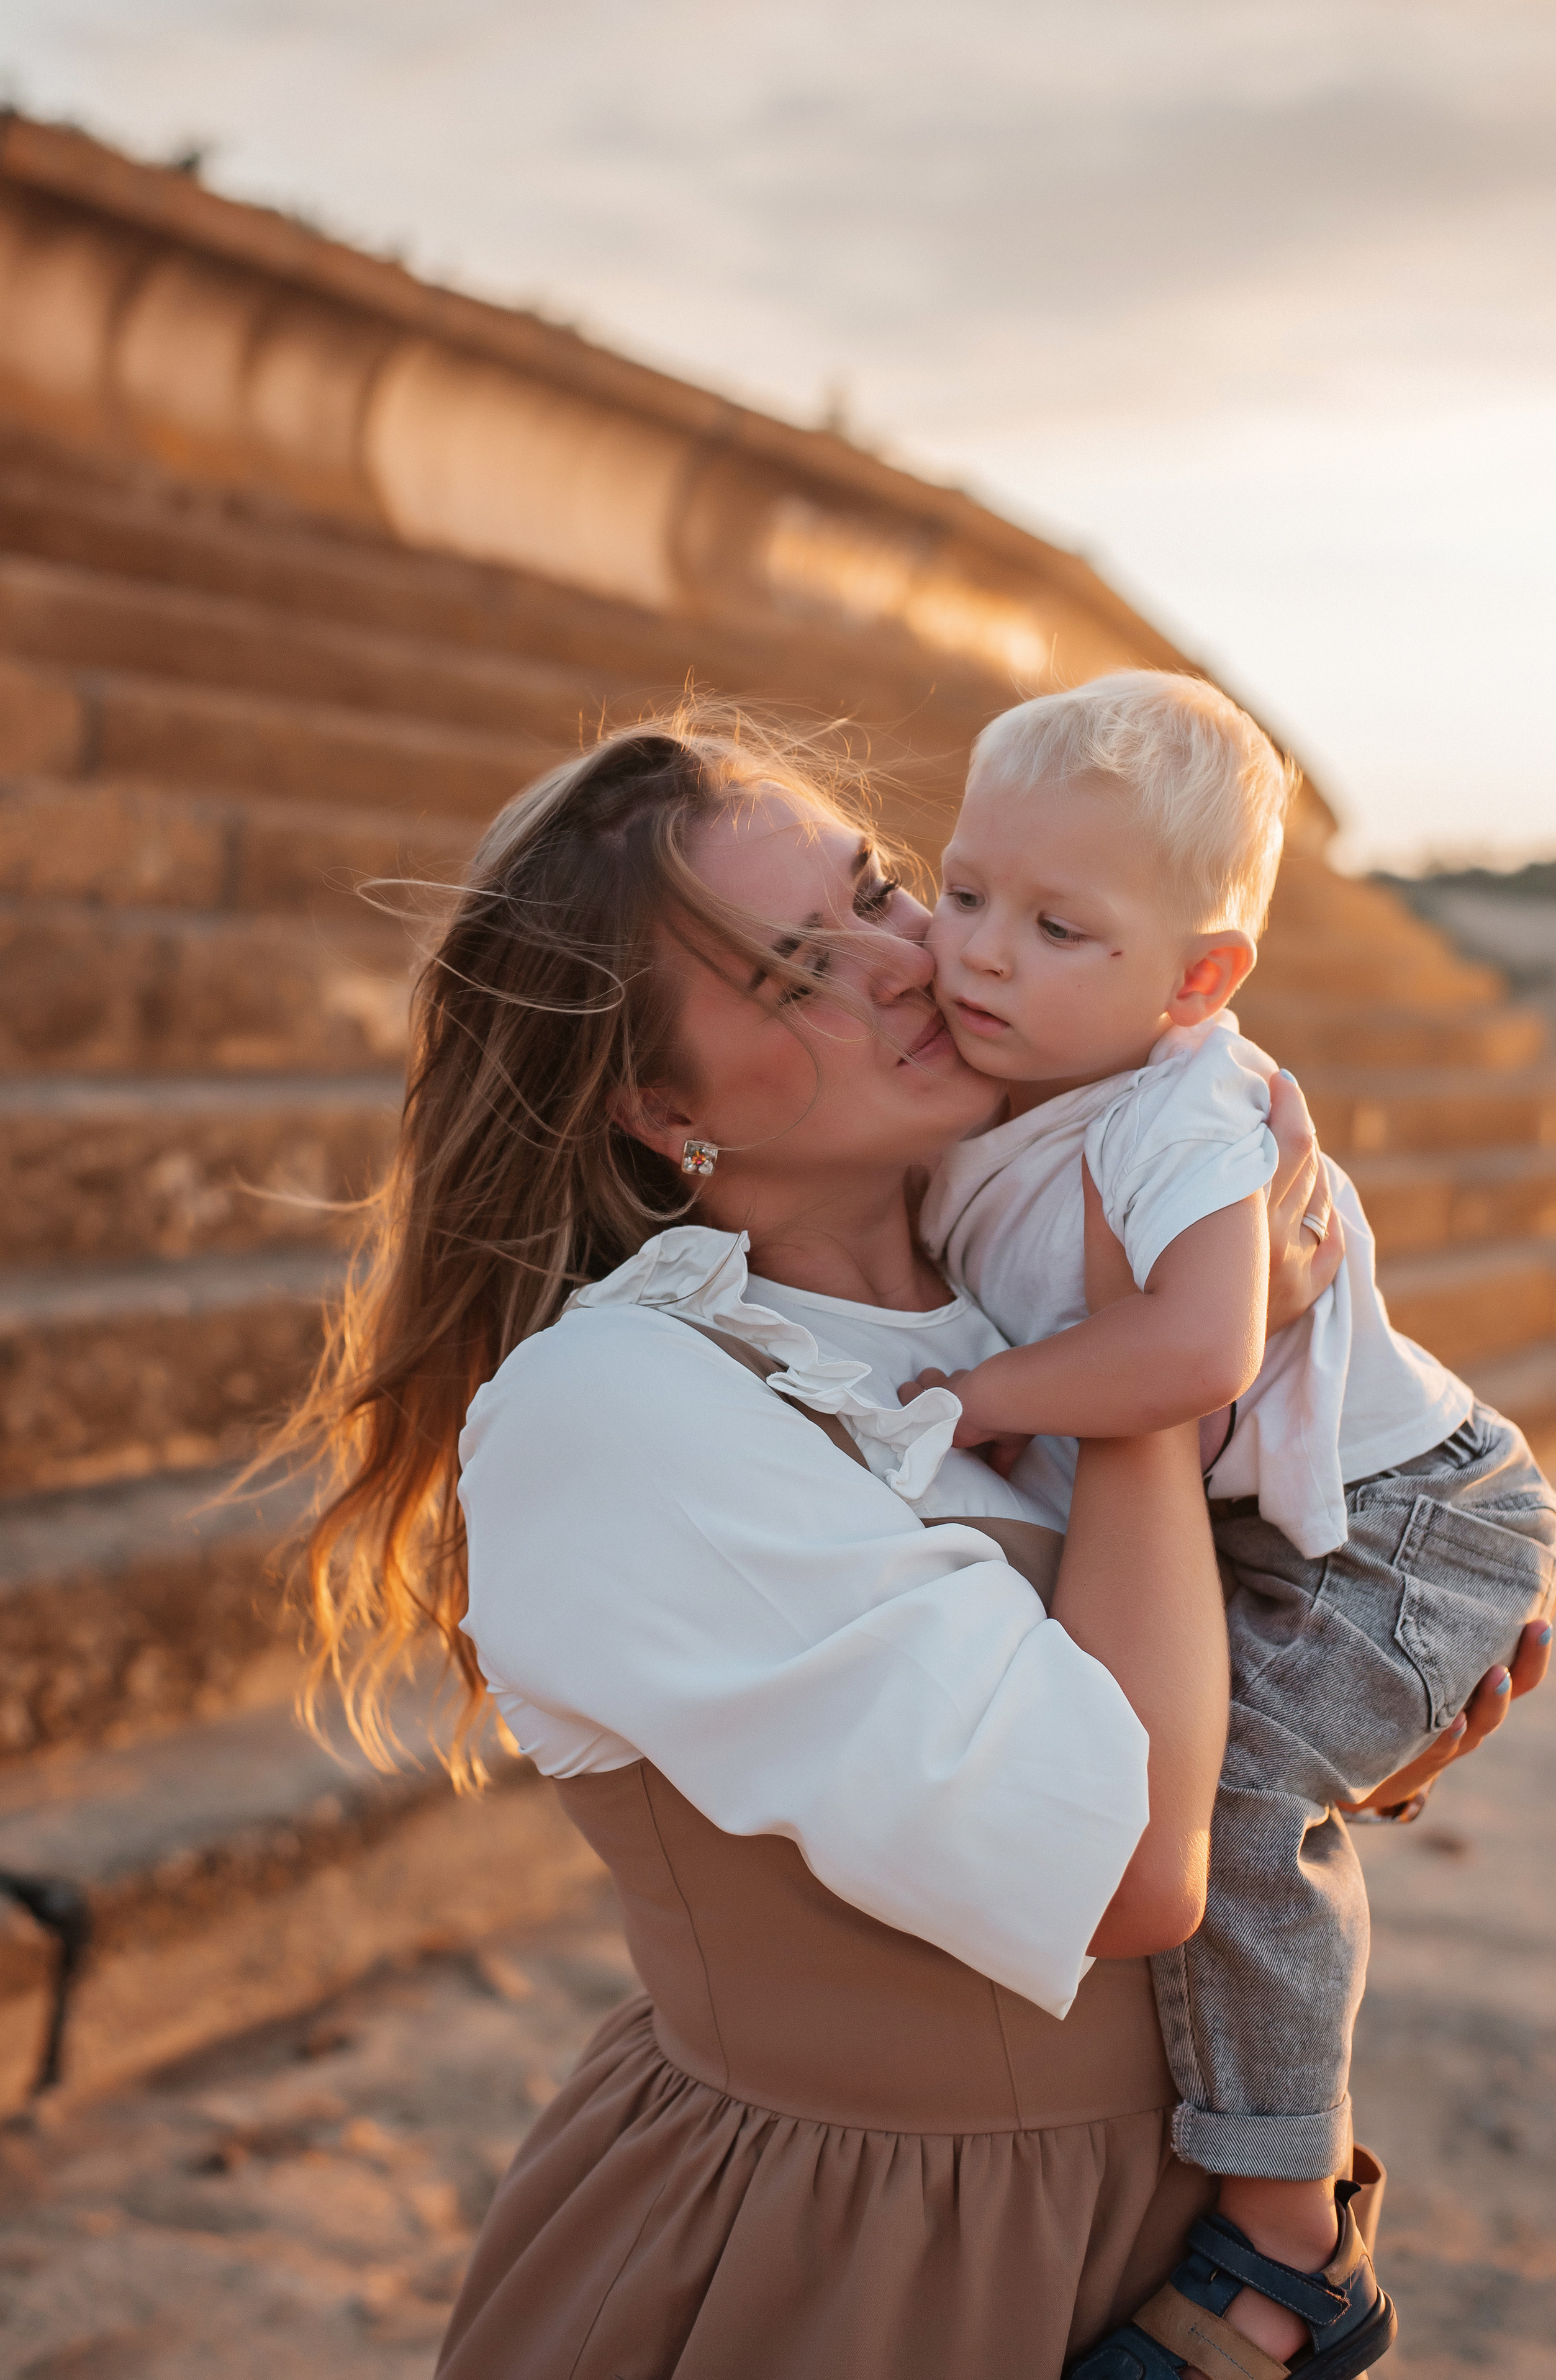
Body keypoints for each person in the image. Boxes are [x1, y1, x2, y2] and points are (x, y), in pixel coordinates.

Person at [283, 716, 1545, 2380]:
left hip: (1166, 2215)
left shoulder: (1020, 1254)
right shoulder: (625, 1403)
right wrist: (1156, 1378)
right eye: (804, 962)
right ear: (661, 1105)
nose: (911, 957)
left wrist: (1375, 1681)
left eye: (883, 888)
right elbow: (1128, 1869)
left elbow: (1220, 1677)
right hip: (853, 2253)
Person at [910, 671, 1556, 2376]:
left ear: (1199, 978)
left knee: (1232, 1785)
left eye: (1058, 925)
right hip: (1285, 1522)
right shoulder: (1022, 1083)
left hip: (1420, 1527)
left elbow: (1202, 1345)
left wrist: (981, 1398)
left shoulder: (1188, 1106)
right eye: (964, 890)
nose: (979, 949)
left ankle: (1288, 2231)